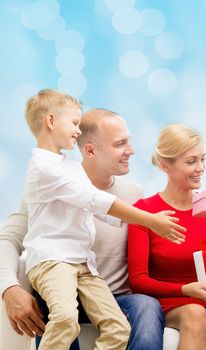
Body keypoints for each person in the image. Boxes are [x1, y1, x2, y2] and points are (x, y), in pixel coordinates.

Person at [4, 88, 186, 349]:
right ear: (90, 151)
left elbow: (101, 213)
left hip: (98, 284)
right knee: (61, 313)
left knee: (139, 311)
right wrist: (9, 287)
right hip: (58, 277)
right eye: (120, 144)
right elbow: (92, 200)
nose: (131, 151)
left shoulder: (127, 192)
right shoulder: (47, 177)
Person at [128, 123, 206, 350]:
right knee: (195, 313)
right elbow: (138, 281)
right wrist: (184, 290)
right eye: (191, 161)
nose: (200, 168)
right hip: (171, 303)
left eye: (202, 159)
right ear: (166, 165)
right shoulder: (145, 211)